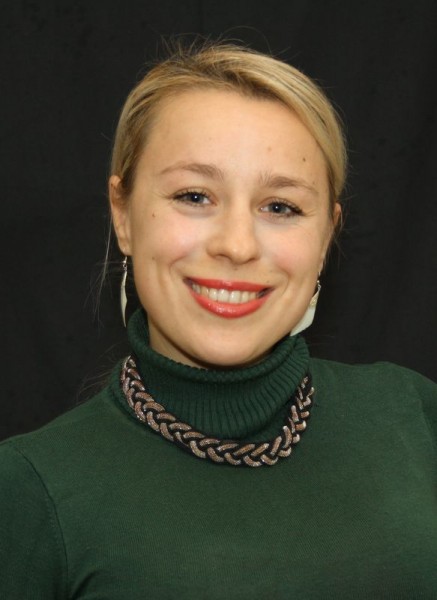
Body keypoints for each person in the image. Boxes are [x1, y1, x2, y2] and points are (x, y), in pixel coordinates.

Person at [1, 42, 436, 600]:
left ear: (327, 235)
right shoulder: (30, 490)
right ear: (123, 215)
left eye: (280, 207)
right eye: (194, 196)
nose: (237, 245)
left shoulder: (413, 418)